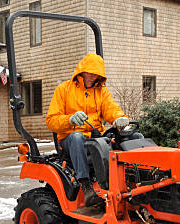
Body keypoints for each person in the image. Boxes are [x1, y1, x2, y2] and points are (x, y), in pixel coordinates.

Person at [46, 53, 129, 207]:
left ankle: (128, 183)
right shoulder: (63, 90)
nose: (92, 78)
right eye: (90, 74)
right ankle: (86, 185)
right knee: (77, 137)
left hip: (95, 138)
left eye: (96, 75)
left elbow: (111, 108)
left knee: (128, 137)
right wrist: (69, 119)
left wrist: (118, 118)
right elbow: (51, 121)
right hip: (70, 140)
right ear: (81, 72)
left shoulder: (101, 91)